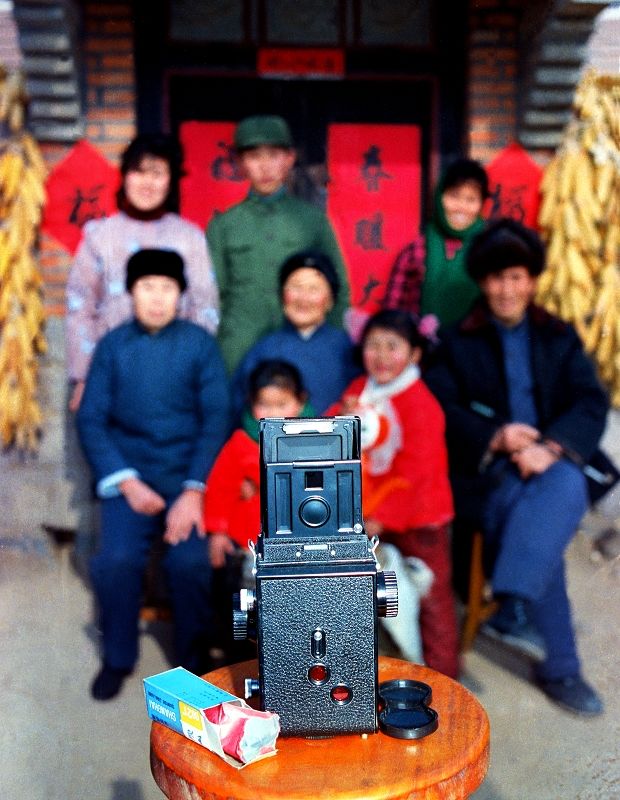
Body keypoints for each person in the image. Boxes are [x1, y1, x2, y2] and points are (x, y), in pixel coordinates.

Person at [425, 218, 608, 716]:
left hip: (551, 462)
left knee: (561, 483)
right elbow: (440, 409)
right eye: (496, 278)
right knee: (547, 513)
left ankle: (514, 599)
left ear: (532, 281)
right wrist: (498, 436)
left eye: (516, 277)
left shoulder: (557, 336)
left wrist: (550, 446)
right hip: (489, 472)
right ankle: (558, 664)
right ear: (483, 282)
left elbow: (590, 401)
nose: (507, 290)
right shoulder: (458, 341)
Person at [77, 249, 230, 700]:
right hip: (131, 478)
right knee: (116, 561)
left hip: (186, 477)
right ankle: (118, 657)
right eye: (147, 287)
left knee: (190, 563)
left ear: (181, 294)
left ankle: (194, 662)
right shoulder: (113, 346)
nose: (157, 298)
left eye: (167, 288)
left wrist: (193, 490)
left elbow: (216, 418)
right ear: (131, 292)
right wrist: (127, 482)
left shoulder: (200, 345)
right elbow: (91, 419)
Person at [64, 134, 220, 560]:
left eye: (158, 173)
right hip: (111, 376)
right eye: (139, 172)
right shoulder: (100, 235)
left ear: (171, 180)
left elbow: (204, 308)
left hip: (173, 376)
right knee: (119, 498)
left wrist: (184, 368)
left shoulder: (188, 237)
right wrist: (83, 376)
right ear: (124, 177)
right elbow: (80, 308)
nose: (148, 182)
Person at [328, 309, 458, 678]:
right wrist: (341, 416)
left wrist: (379, 518)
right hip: (370, 510)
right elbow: (331, 426)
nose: (382, 356)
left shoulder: (421, 403)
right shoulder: (359, 390)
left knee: (431, 598)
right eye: (373, 345)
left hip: (418, 516)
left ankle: (444, 679)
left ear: (415, 354)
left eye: (392, 346)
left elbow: (416, 473)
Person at [206, 114, 350, 373]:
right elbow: (213, 295)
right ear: (241, 163)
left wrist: (331, 342)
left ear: (289, 159)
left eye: (273, 156)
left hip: (300, 344)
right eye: (254, 157)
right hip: (239, 346)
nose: (265, 167)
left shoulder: (312, 221)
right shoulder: (224, 226)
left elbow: (338, 287)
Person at [204, 359, 312, 570]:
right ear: (251, 403)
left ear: (301, 401)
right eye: (264, 405)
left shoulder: (316, 439)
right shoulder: (241, 443)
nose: (273, 413)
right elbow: (220, 488)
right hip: (250, 540)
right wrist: (218, 532)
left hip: (302, 537)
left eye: (282, 404)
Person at [232, 250, 360, 418]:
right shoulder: (264, 349)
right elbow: (239, 405)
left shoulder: (345, 347)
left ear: (330, 301)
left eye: (313, 289)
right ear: (282, 296)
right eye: (296, 287)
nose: (303, 298)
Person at [383, 158, 488, 327]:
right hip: (421, 342)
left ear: (481, 204)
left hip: (476, 341)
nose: (461, 207)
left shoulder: (488, 250)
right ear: (440, 197)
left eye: (471, 199)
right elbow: (391, 314)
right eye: (454, 196)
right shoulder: (416, 251)